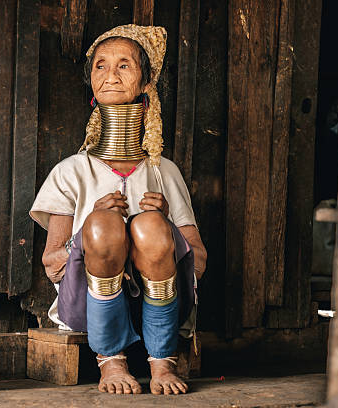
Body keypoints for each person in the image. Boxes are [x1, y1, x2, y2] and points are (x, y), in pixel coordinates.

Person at [30, 24, 207, 395]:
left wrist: (164, 228)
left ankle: (162, 361)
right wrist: (92, 231)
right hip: (86, 306)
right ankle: (111, 360)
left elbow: (200, 260)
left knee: (150, 226)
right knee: (103, 224)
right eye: (100, 66)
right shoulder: (71, 172)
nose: (109, 74)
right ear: (91, 81)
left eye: (124, 65)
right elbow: (52, 264)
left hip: (160, 305)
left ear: (147, 82)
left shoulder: (164, 172)